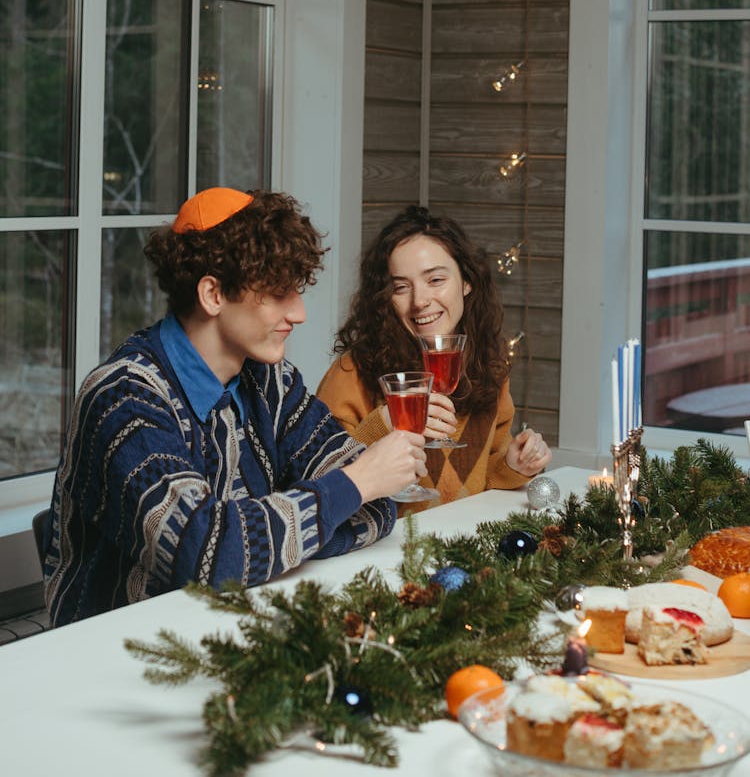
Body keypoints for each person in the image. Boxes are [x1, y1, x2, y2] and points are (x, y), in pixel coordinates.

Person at [43, 188, 427, 626]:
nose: (299, 312)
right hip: (113, 651)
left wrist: (267, 543)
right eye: (279, 292)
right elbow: (210, 554)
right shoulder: (124, 398)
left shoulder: (272, 381)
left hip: (236, 626)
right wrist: (353, 485)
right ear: (213, 294)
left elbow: (378, 508)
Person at [317, 204, 551, 507]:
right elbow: (319, 481)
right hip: (389, 549)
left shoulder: (489, 366)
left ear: (467, 282)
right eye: (401, 287)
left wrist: (513, 464)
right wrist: (385, 426)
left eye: (436, 280)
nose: (420, 301)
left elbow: (479, 480)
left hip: (464, 544)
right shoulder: (352, 372)